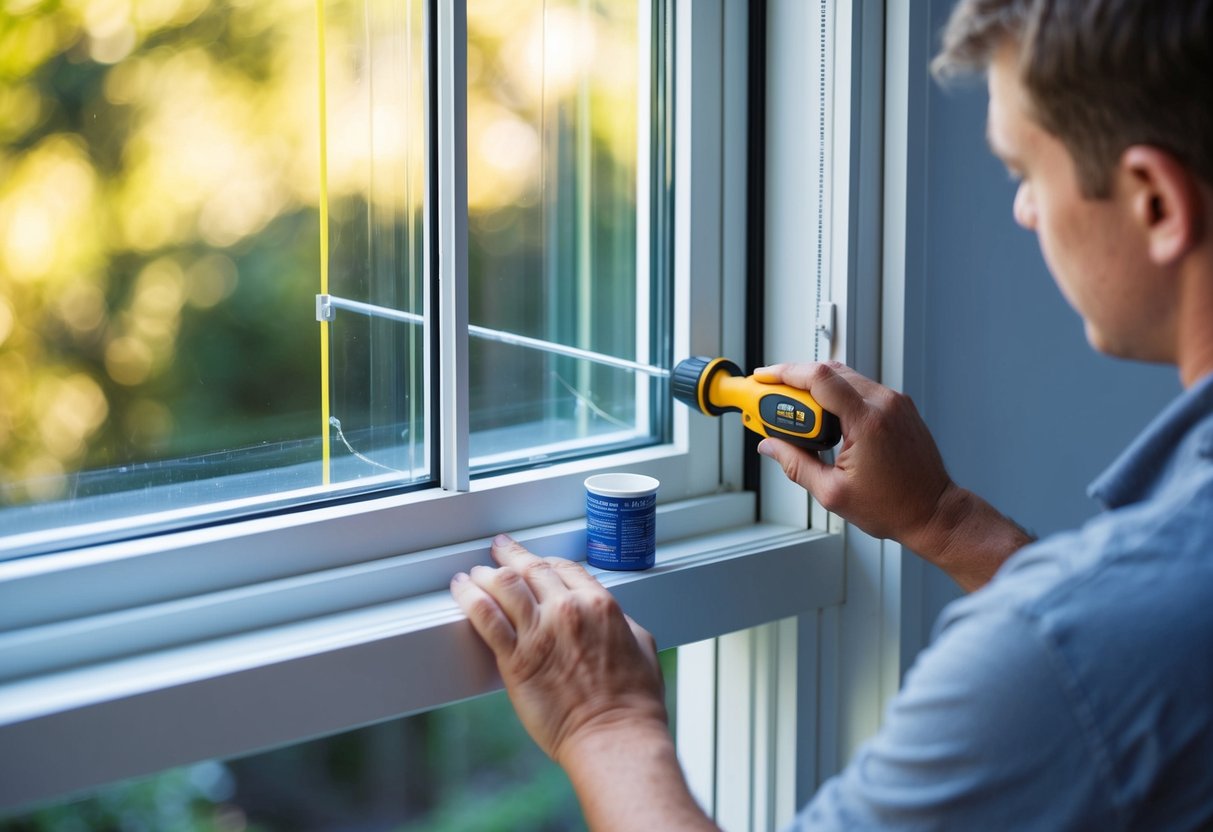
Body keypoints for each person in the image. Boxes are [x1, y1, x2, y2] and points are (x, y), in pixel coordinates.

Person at [450, 0, 1213, 827]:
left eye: (1026, 174)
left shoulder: (1059, 649)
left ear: (1155, 204)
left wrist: (606, 724)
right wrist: (945, 521)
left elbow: (1102, 648)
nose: (1024, 212)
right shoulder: (1140, 607)